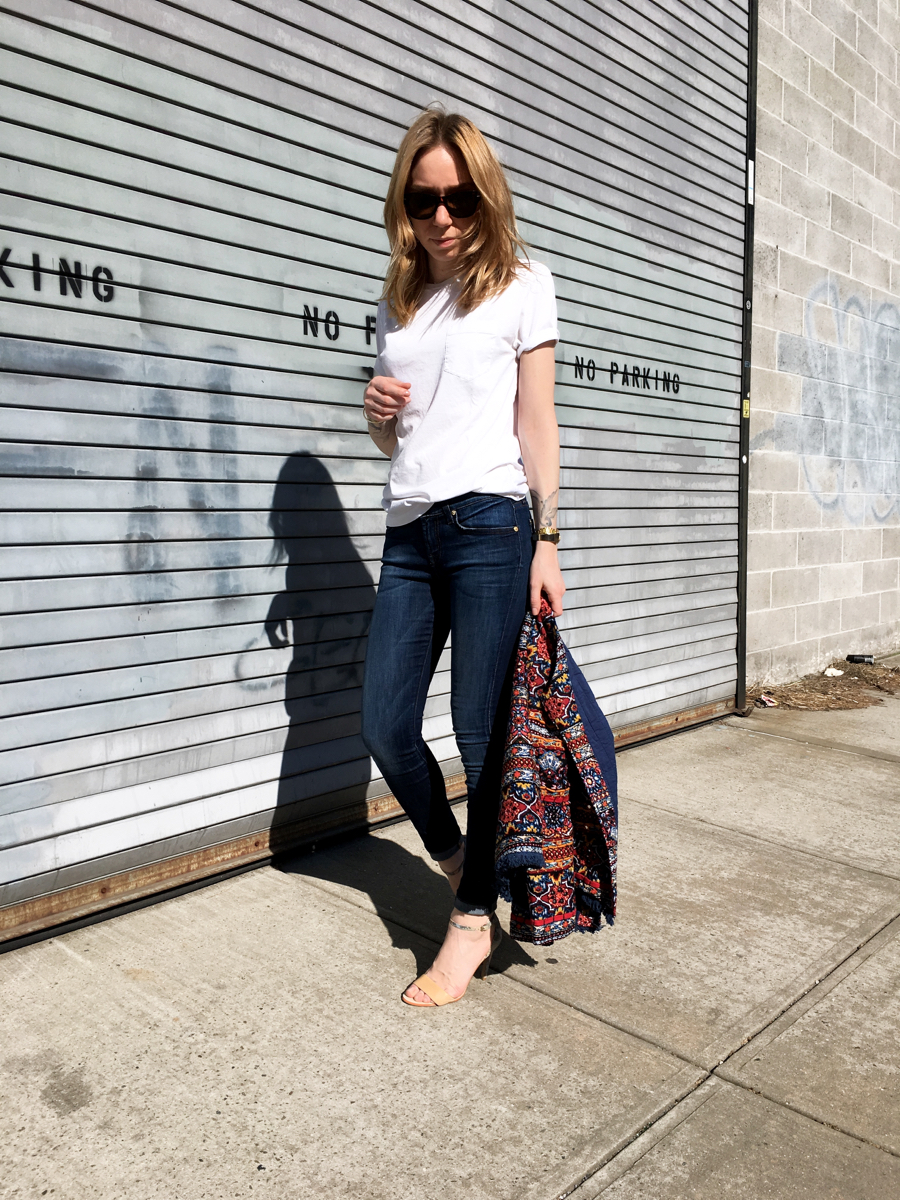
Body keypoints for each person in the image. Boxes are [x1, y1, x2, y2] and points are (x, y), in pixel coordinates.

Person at [360, 108, 564, 1007]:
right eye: (423, 197)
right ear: (406, 202)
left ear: (484, 195)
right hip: (411, 530)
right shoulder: (399, 301)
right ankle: (457, 858)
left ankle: (473, 920)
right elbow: (393, 439)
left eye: (459, 197)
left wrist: (549, 541)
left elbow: (537, 421)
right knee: (386, 724)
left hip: (491, 526)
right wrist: (374, 416)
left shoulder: (523, 283)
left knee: (482, 737)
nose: (442, 216)